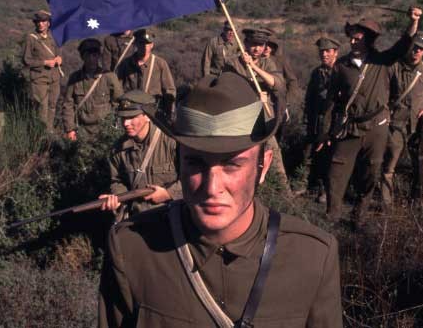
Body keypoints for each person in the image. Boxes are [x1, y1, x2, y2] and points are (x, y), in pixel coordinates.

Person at [98, 72, 343, 327]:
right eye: (195, 163)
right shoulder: (131, 250)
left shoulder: (312, 258)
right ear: (177, 162)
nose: (212, 187)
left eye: (232, 164)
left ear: (263, 166)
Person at [319, 8, 421, 226]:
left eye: (358, 39)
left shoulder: (382, 61)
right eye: (352, 38)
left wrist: (413, 22)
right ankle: (332, 217)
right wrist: (326, 131)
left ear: (369, 40)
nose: (353, 42)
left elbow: (405, 43)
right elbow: (331, 102)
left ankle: (359, 215)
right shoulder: (341, 66)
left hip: (377, 127)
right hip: (349, 127)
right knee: (336, 172)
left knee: (371, 172)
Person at [100, 90, 181, 220]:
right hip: (137, 219)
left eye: (131, 117)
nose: (126, 123)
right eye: (123, 118)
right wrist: (117, 198)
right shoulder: (117, 150)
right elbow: (117, 181)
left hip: (172, 217)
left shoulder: (172, 142)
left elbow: (192, 179)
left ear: (147, 116)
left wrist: (169, 194)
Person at [224, 28, 289, 190]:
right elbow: (226, 88)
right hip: (241, 119)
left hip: (264, 118)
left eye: (261, 45)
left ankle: (285, 193)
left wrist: (253, 67)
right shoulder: (232, 63)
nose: (257, 48)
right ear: (245, 44)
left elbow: (278, 84)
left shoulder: (268, 62)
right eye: (254, 44)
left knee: (273, 154)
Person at [380, 31, 423, 208]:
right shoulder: (394, 67)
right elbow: (383, 95)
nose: (417, 51)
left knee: (420, 165)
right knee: (389, 165)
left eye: (421, 49)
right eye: (415, 47)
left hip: (418, 126)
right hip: (396, 124)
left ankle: (416, 199)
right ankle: (386, 203)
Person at [301, 37, 340, 203]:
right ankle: (308, 184)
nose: (324, 54)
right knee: (310, 153)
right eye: (321, 51)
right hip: (316, 120)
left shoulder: (342, 71)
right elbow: (310, 97)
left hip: (334, 121)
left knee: (331, 157)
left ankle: (327, 190)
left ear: (335, 53)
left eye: (327, 51)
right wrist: (307, 117)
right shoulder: (317, 73)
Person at [62, 38, 123, 141]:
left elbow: (119, 101)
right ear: (82, 57)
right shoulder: (75, 78)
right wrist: (70, 129)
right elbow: (68, 104)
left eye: (94, 55)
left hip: (104, 130)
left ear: (99, 56)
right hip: (81, 130)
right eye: (87, 55)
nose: (91, 59)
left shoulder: (109, 77)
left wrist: (116, 126)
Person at [117, 29, 176, 118]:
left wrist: (169, 112)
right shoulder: (126, 64)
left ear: (152, 45)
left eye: (147, 44)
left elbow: (169, 90)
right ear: (136, 44)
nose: (144, 46)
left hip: (154, 112)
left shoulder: (160, 63)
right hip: (131, 112)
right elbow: (118, 89)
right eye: (141, 43)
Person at [22, 10, 62, 132]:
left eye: (44, 21)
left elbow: (58, 52)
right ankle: (41, 134)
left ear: (48, 23)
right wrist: (44, 63)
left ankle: (49, 131)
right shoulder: (31, 38)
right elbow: (26, 60)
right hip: (39, 79)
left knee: (52, 105)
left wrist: (59, 58)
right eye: (38, 21)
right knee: (41, 108)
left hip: (54, 77)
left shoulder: (53, 36)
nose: (41, 24)